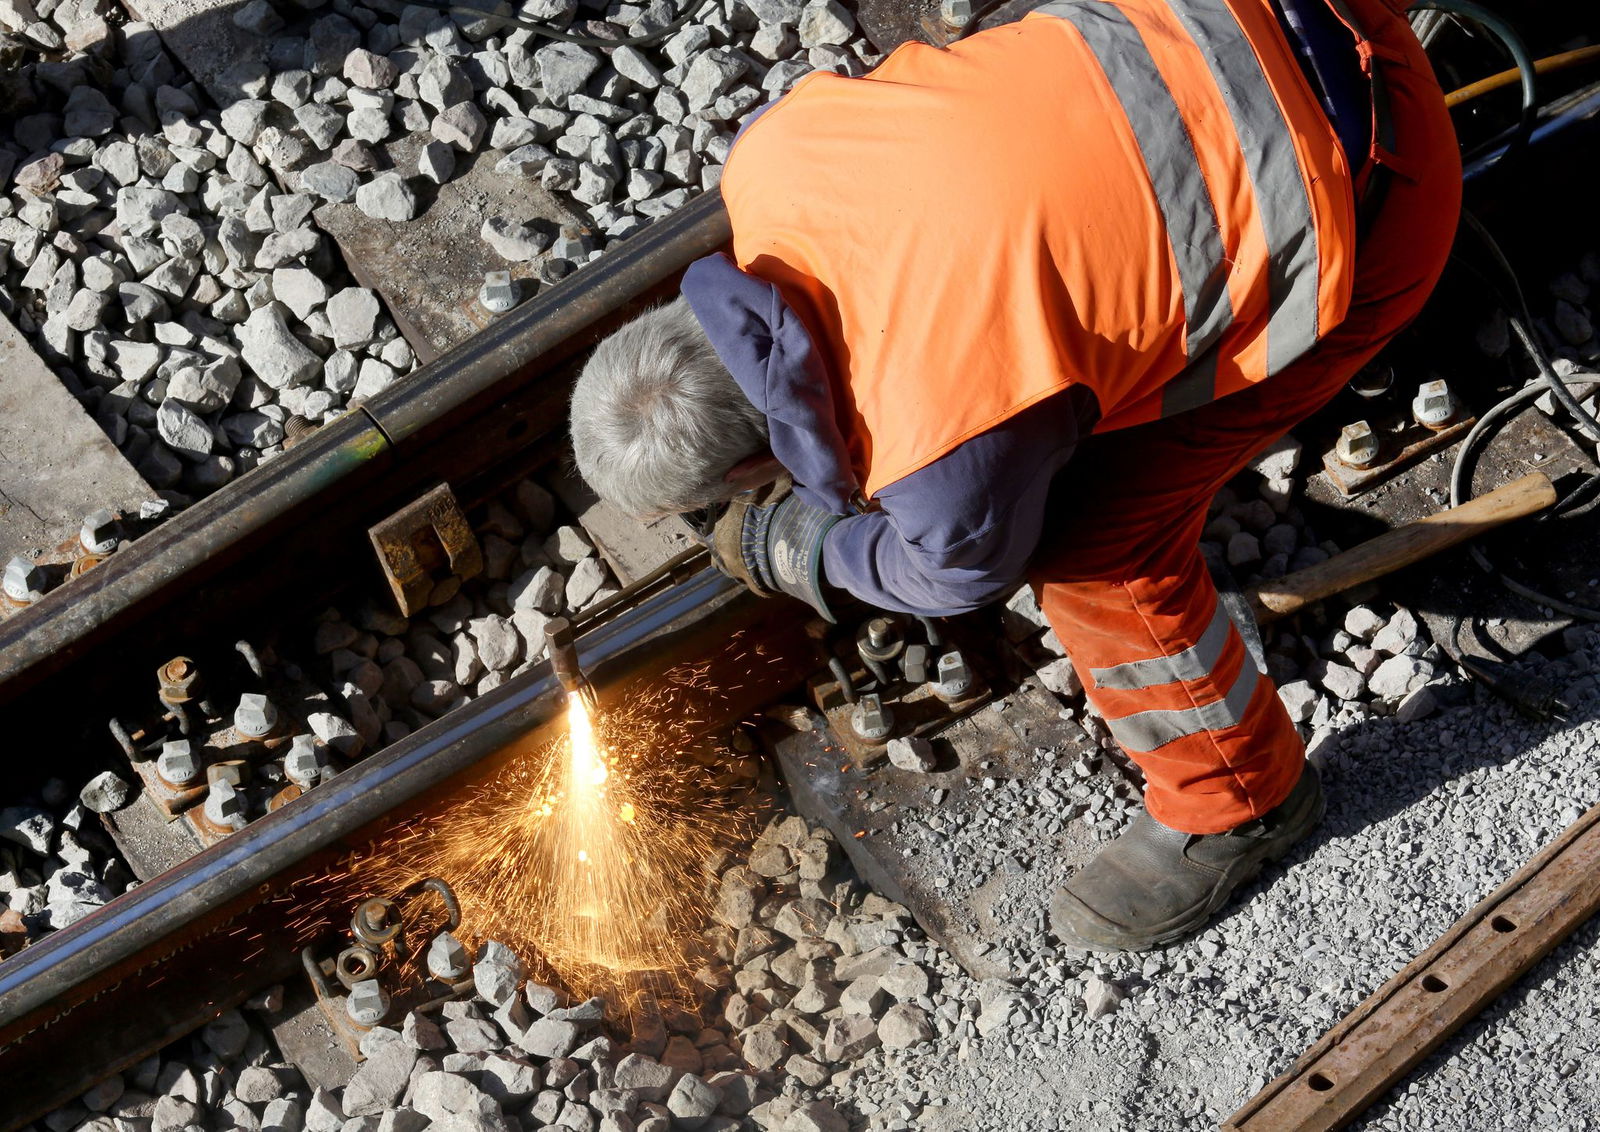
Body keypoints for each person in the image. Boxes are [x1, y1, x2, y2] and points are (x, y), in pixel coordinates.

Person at [569, 0, 1461, 950]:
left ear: (755, 465)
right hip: (1258, 17)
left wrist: (811, 546)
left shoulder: (934, 444)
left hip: (1380, 193)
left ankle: (1242, 802)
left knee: (1092, 547)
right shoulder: (772, 155)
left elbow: (959, 571)